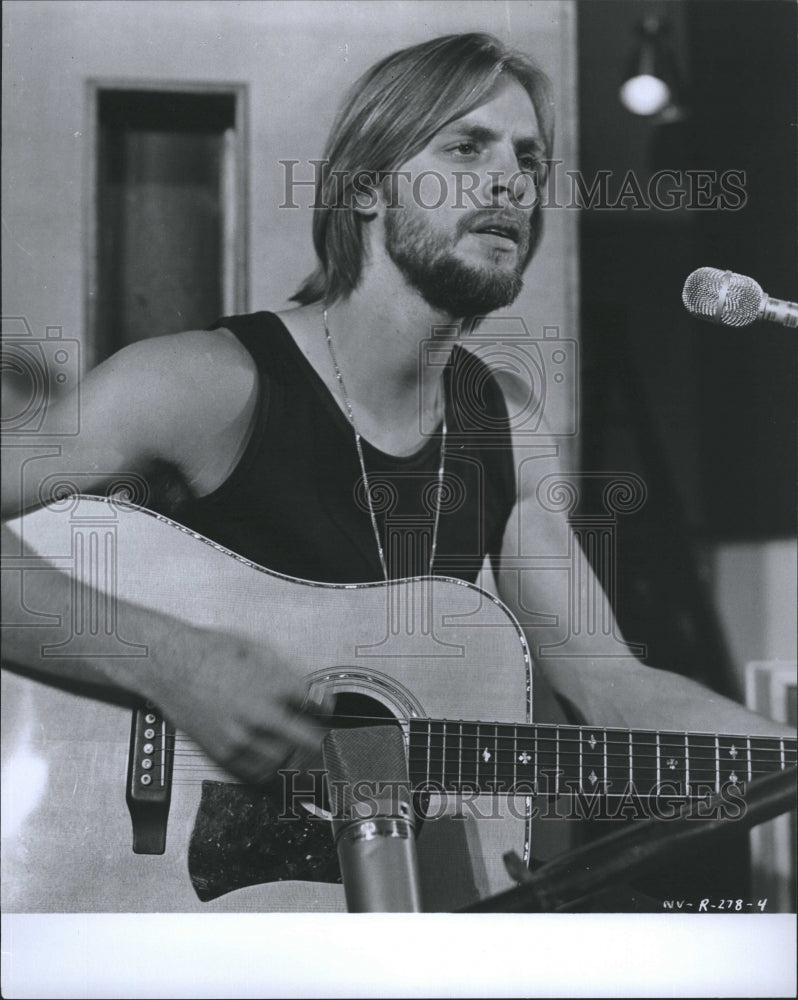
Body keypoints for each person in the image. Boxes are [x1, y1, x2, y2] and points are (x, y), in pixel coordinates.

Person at [2, 32, 792, 807]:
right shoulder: (205, 383)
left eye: (528, 160)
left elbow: (607, 682)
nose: (511, 182)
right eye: (467, 148)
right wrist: (171, 663)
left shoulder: (507, 428)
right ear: (368, 187)